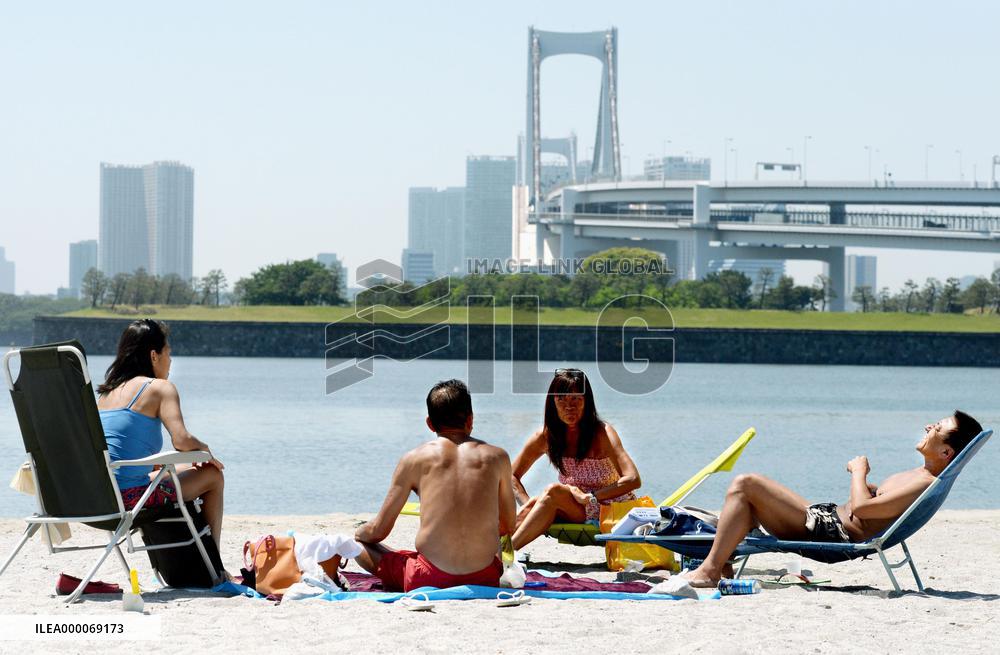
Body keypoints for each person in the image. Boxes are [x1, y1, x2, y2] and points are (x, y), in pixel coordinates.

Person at [683, 410, 983, 587]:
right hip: (824, 519)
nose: (929, 426)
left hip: (831, 535)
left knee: (746, 483)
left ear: (947, 453)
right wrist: (866, 484)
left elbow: (864, 509)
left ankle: (710, 570)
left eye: (938, 428)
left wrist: (858, 472)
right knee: (749, 495)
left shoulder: (922, 483)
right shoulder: (918, 474)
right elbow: (873, 505)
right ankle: (721, 563)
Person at [354, 379, 516, 592]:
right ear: (470, 419)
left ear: (430, 423)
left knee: (355, 547)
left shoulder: (413, 459)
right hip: (485, 576)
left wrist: (360, 533)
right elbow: (507, 526)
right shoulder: (498, 458)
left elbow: (379, 531)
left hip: (427, 577)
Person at [96, 319, 226, 547]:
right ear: (154, 355)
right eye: (168, 352)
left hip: (100, 498)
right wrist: (204, 450)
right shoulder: (159, 388)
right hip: (131, 498)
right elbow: (181, 440)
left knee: (185, 468)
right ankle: (214, 562)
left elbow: (118, 449)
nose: (171, 360)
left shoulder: (106, 395)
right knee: (212, 474)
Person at [510, 368, 641, 550]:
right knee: (547, 496)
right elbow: (511, 476)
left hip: (608, 509)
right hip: (572, 508)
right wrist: (530, 504)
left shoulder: (602, 433)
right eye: (561, 399)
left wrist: (591, 497)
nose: (569, 406)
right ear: (552, 402)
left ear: (587, 402)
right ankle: (495, 554)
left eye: (576, 399)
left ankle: (504, 556)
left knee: (553, 491)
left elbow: (633, 479)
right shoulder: (546, 436)